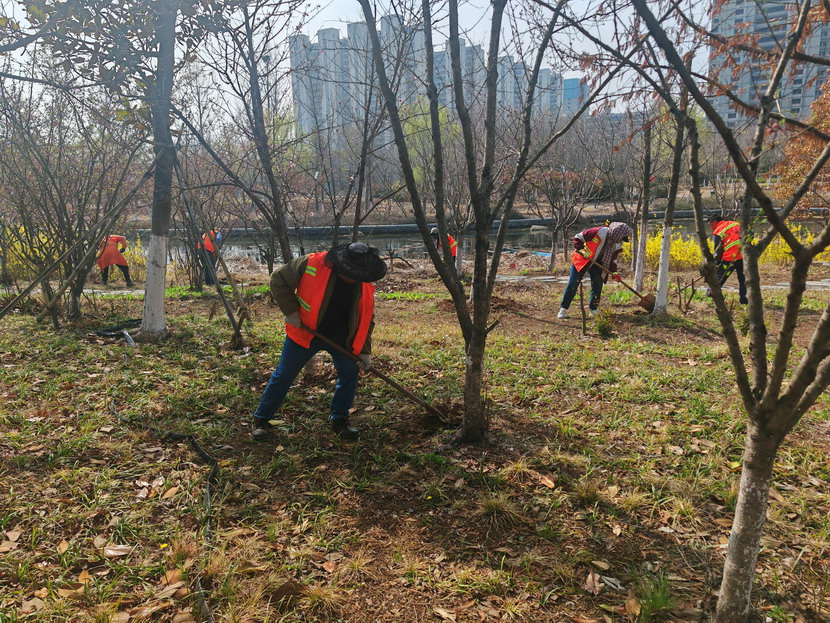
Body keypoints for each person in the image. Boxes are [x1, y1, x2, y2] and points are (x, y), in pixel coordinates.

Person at [251, 242, 387, 442]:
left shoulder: (363, 281)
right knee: (284, 374)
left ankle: (340, 418)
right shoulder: (311, 263)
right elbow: (278, 279)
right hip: (306, 331)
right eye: (350, 274)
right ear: (341, 265)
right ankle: (262, 419)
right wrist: (291, 311)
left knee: (349, 374)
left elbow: (367, 318)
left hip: (342, 337)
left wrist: (365, 351)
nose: (353, 279)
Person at [557, 222, 632, 318]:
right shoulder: (597, 232)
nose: (621, 241)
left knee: (597, 284)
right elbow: (578, 237)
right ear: (617, 234)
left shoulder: (616, 244)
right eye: (621, 238)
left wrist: (614, 272)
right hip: (583, 260)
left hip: (598, 263)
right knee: (573, 284)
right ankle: (563, 309)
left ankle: (593, 309)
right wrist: (582, 249)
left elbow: (613, 259)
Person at [707, 213, 747, 305]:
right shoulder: (736, 224)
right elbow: (750, 234)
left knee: (719, 277)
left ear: (715, 222)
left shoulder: (718, 230)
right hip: (743, 256)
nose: (710, 228)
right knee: (743, 279)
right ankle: (744, 301)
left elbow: (718, 249)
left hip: (730, 258)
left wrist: (716, 263)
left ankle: (709, 296)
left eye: (710, 225)